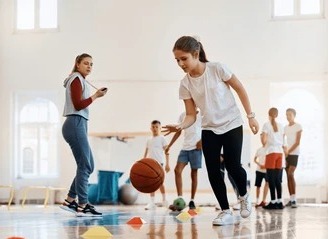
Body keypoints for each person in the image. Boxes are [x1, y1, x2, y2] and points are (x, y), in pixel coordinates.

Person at [163, 36, 259, 226]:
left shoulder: (217, 69)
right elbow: (191, 114)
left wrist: (251, 116)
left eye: (184, 58)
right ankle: (224, 210)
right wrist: (181, 125)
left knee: (233, 166)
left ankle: (244, 195)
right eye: (177, 60)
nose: (180, 63)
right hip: (209, 128)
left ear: (196, 54)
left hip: (231, 123)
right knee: (213, 171)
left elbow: (240, 89)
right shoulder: (185, 84)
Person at [60, 53, 108, 216]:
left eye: (91, 64)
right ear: (77, 64)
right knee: (85, 165)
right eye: (86, 63)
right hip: (75, 123)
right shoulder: (75, 78)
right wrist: (95, 96)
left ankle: (70, 200)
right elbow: (78, 105)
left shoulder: (80, 80)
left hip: (79, 124)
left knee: (88, 165)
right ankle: (83, 204)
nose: (89, 66)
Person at [165, 111, 202, 210]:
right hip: (185, 148)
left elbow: (208, 129)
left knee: (194, 173)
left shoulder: (202, 114)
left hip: (196, 148)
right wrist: (169, 145)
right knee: (177, 170)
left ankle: (192, 200)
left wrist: (202, 141)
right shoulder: (182, 115)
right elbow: (178, 131)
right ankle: (180, 198)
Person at [261, 107, 285, 210]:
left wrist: (262, 138)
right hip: (280, 153)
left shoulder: (266, 125)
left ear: (269, 114)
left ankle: (273, 202)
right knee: (277, 179)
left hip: (271, 153)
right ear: (277, 115)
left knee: (271, 179)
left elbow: (264, 142)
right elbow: (284, 141)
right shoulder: (281, 126)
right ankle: (279, 202)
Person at [144, 120, 170, 210]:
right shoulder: (148, 140)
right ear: (151, 128)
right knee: (151, 183)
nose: (155, 129)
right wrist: (143, 162)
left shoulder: (162, 138)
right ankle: (152, 202)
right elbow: (146, 152)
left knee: (160, 183)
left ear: (160, 128)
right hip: (150, 164)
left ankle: (164, 200)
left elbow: (167, 151)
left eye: (156, 127)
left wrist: (167, 164)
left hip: (159, 164)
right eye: (153, 127)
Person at [284, 108, 302, 208]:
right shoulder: (285, 128)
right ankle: (291, 199)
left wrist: (288, 152)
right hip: (286, 154)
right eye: (286, 115)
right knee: (288, 175)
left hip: (294, 153)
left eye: (290, 115)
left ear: (294, 115)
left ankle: (294, 200)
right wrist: (285, 152)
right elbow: (283, 141)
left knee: (291, 173)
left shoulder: (298, 126)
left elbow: (297, 142)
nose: (288, 117)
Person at [253, 140, 269, 208]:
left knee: (266, 184)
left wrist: (266, 165)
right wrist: (260, 165)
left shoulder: (269, 150)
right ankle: (257, 201)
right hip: (259, 170)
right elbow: (255, 159)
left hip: (267, 171)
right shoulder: (259, 150)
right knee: (258, 186)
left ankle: (264, 200)